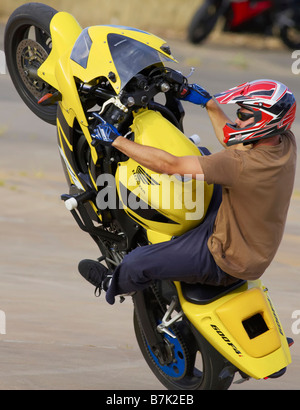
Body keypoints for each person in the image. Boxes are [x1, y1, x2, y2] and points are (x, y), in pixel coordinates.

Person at [78, 79, 297, 305]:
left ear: (266, 121)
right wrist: (209, 103)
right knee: (202, 154)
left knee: (137, 263)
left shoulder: (239, 164)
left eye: (243, 116)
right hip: (248, 237)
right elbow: (233, 141)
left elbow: (170, 165)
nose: (237, 121)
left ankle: (112, 284)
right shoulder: (285, 143)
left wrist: (116, 140)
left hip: (227, 259)